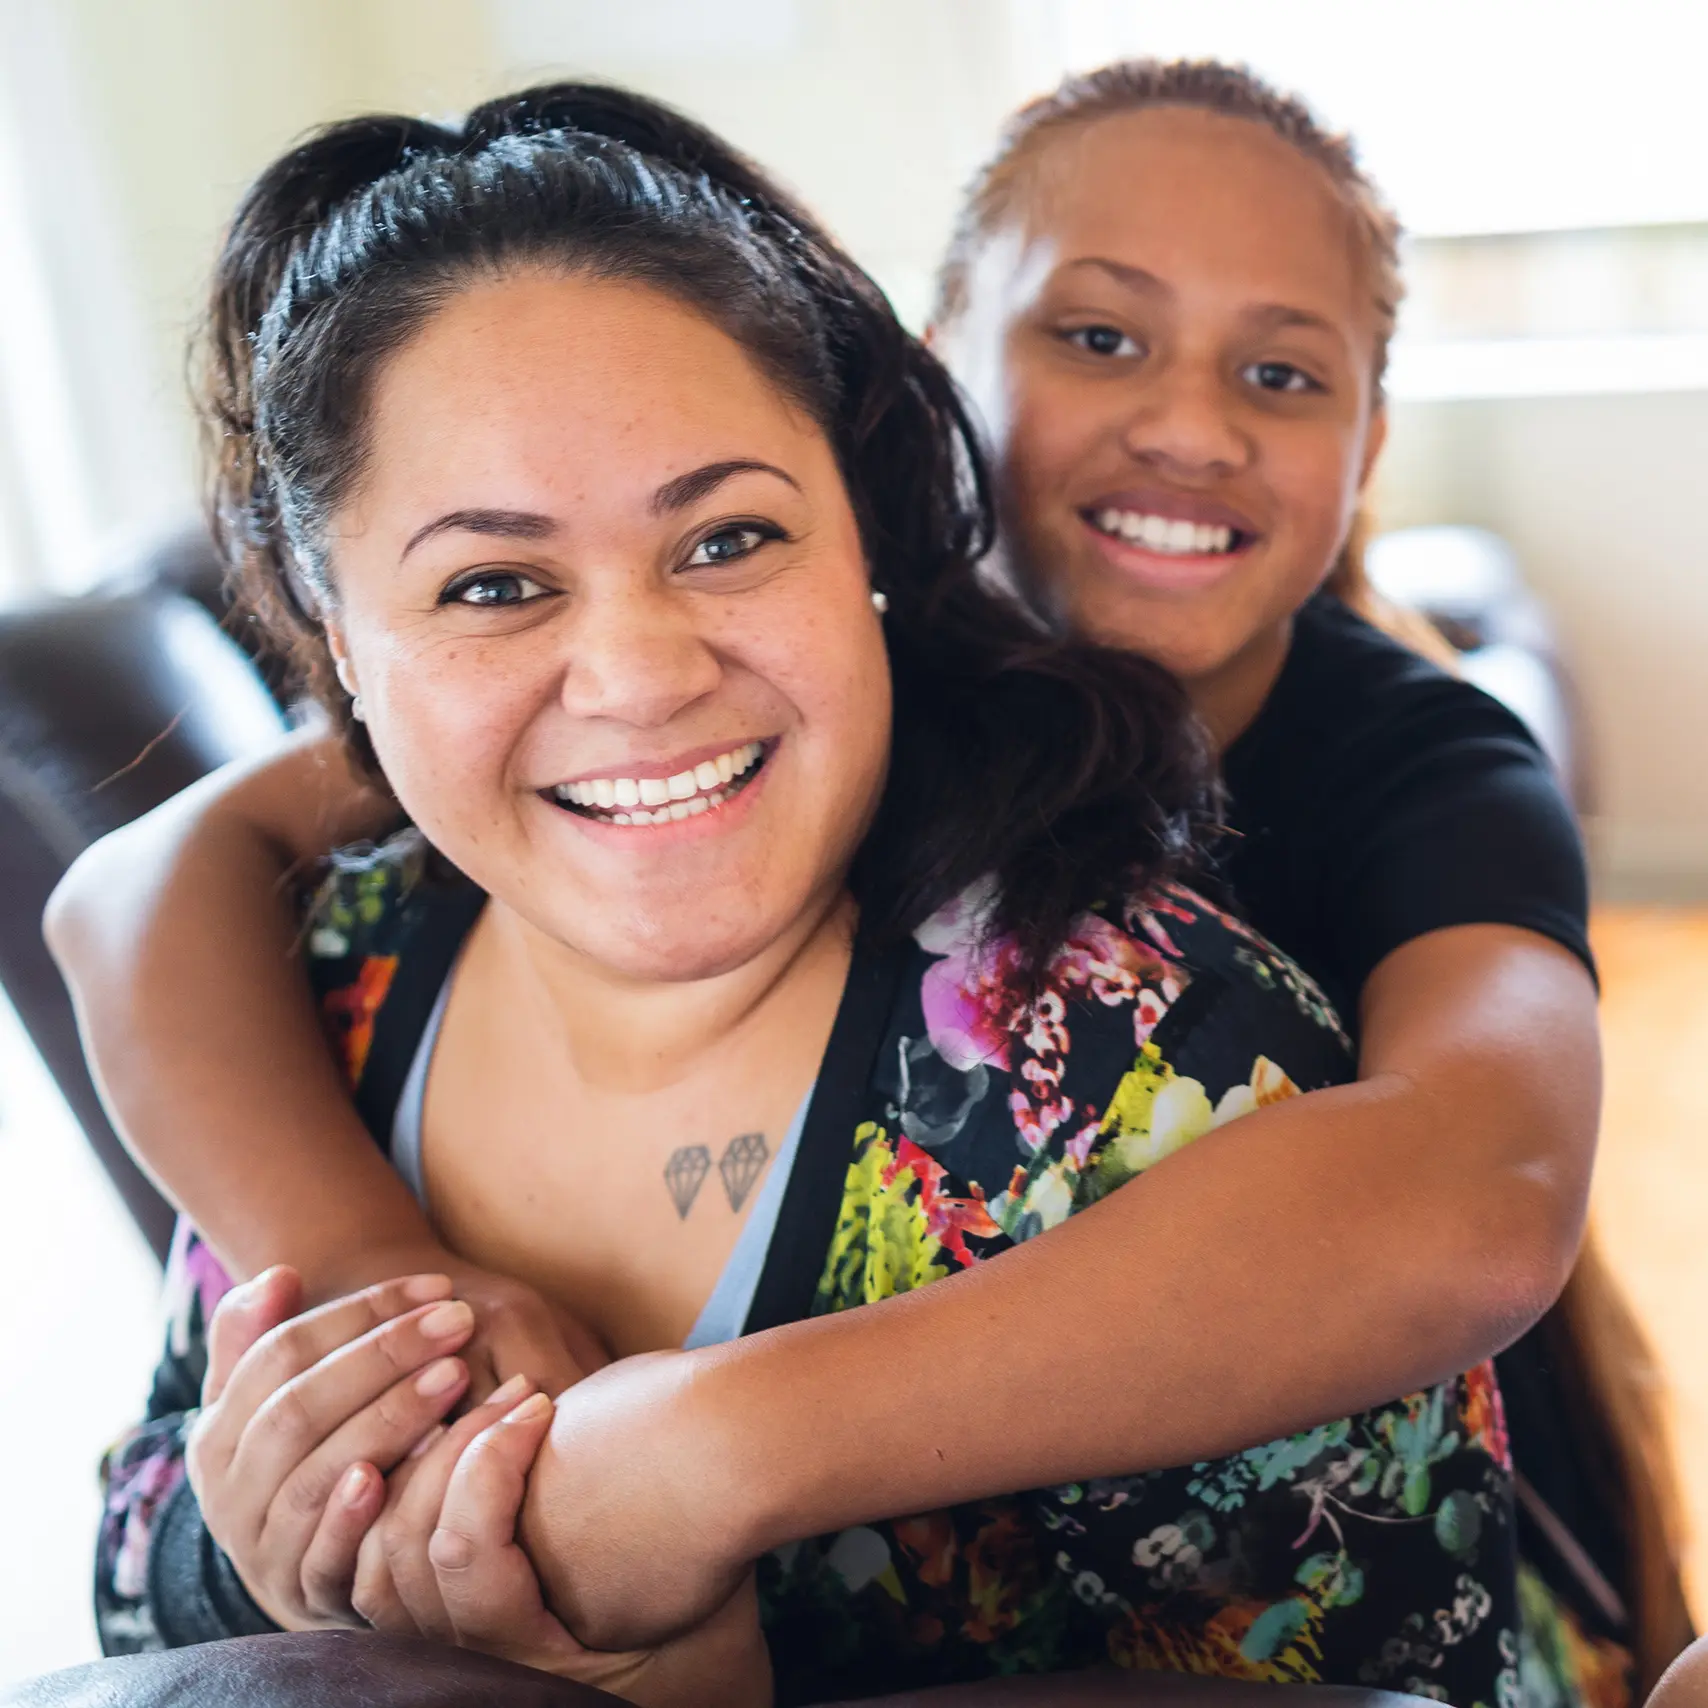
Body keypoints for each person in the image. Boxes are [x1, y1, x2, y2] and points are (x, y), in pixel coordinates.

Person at [49, 74, 1613, 1707]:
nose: (641, 674)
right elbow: (139, 890)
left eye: (726, 541)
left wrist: (702, 1491)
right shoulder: (339, 966)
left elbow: (1476, 1191)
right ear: (337, 632)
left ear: (859, 514)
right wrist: (296, 1518)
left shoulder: (1176, 1042)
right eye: (495, 582)